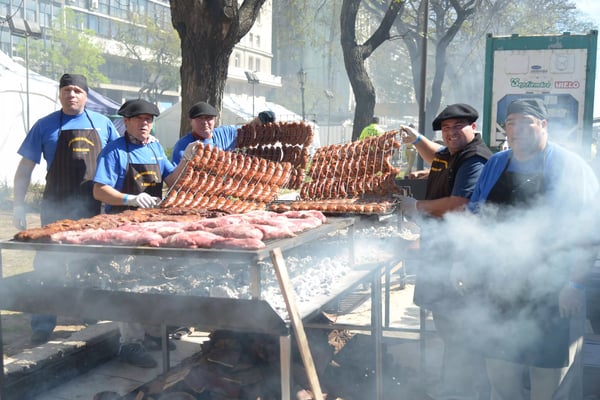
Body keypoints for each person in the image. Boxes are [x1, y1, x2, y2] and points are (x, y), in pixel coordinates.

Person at [463, 98, 599, 400]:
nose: (516, 129)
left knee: (549, 377)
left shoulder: (570, 167)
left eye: (526, 122)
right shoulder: (498, 163)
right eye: (510, 123)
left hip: (555, 290)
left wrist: (574, 283)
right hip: (500, 285)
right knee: (499, 368)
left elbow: (588, 234)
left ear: (544, 125)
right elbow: (475, 216)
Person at [13, 73, 120, 345]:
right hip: (55, 206)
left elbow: (119, 161)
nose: (71, 95)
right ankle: (43, 323)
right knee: (48, 265)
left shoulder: (104, 124)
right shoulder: (44, 125)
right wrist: (19, 205)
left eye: (76, 90)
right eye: (66, 90)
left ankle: (92, 316)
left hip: (94, 207)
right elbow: (25, 170)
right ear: (59, 94)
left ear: (86, 95)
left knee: (92, 263)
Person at [397, 103, 493, 400]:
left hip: (458, 256)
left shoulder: (474, 159)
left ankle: (461, 390)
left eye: (457, 127)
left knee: (458, 328)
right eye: (446, 129)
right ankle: (452, 386)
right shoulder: (450, 154)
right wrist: (415, 138)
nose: (450, 134)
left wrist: (417, 207)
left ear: (473, 127)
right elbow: (435, 156)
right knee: (446, 323)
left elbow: (460, 203)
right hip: (439, 250)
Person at [93, 98, 196, 367]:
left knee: (152, 280)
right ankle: (130, 343)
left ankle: (152, 334)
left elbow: (171, 180)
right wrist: (130, 199)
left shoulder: (155, 148)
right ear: (126, 122)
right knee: (127, 286)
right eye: (139, 119)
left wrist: (186, 160)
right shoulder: (113, 151)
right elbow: (99, 189)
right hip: (123, 227)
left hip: (152, 227)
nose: (145, 123)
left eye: (149, 119)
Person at [171, 102, 273, 165]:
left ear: (214, 120)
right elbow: (176, 177)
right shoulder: (182, 147)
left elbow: (248, 130)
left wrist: (260, 120)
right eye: (200, 118)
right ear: (191, 121)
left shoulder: (223, 134)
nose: (205, 122)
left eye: (208, 118)